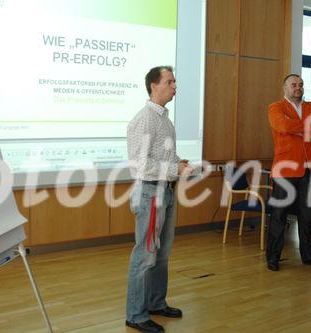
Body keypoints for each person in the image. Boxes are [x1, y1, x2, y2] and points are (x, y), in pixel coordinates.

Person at [125, 66, 193, 333]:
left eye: (175, 81)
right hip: (151, 192)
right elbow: (140, 165)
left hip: (165, 190)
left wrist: (180, 163)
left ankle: (155, 302)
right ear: (154, 86)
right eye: (170, 81)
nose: (175, 86)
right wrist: (175, 169)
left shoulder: (165, 119)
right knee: (145, 255)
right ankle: (135, 314)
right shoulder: (144, 120)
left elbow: (163, 158)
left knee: (162, 254)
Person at [266, 74, 311, 272]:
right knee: (279, 215)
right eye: (293, 85)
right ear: (284, 87)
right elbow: (282, 125)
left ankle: (310, 256)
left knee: (308, 215)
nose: (298, 88)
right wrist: (308, 126)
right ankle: (273, 257)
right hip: (285, 169)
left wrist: (300, 128)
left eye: (301, 85)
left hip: (310, 168)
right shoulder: (275, 107)